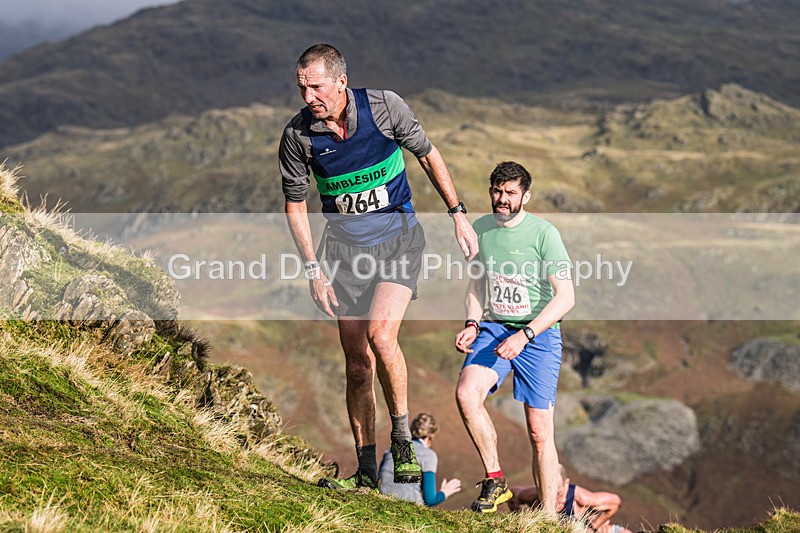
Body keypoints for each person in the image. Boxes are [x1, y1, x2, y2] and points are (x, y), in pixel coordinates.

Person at [279, 44, 478, 490]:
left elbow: (428, 154)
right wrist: (313, 268)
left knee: (381, 335)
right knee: (356, 366)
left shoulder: (386, 107)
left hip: (399, 245)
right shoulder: (298, 136)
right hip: (346, 258)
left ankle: (403, 441)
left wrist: (458, 213)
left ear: (340, 82)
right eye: (301, 88)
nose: (308, 96)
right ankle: (367, 472)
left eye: (316, 86)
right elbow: (295, 205)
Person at [454, 161, 575, 513]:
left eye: (510, 193)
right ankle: (496, 479)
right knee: (466, 393)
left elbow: (566, 297)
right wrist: (472, 323)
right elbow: (477, 284)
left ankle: (548, 518)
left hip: (538, 333)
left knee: (539, 431)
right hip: (494, 326)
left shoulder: (544, 233)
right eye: (497, 191)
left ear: (526, 195)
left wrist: (525, 334)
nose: (502, 199)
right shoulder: (481, 229)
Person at [507, 464, 634, 533]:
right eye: (549, 493)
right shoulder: (533, 496)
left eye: (559, 493)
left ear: (566, 483)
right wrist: (522, 520)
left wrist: (593, 528)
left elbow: (615, 503)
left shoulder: (580, 497)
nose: (555, 498)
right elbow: (510, 495)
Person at [378, 412, 462, 505]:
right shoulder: (428, 455)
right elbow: (430, 500)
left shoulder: (390, 450)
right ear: (431, 436)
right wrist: (445, 492)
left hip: (382, 502)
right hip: (409, 508)